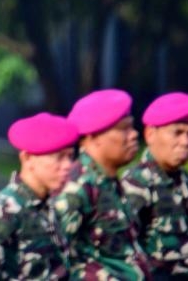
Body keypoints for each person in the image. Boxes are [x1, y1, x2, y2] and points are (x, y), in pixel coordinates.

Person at [53, 89, 150, 280]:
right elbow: (52, 258)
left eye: (132, 127)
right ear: (93, 138)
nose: (133, 135)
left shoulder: (109, 183)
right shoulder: (77, 187)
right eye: (124, 129)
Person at [0, 112, 78, 281]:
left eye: (70, 157)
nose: (67, 166)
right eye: (58, 157)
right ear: (27, 158)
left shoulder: (50, 206)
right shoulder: (4, 210)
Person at [121, 91, 188, 280]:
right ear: (150, 134)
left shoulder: (185, 180)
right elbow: (122, 256)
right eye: (177, 133)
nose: (186, 142)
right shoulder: (138, 184)